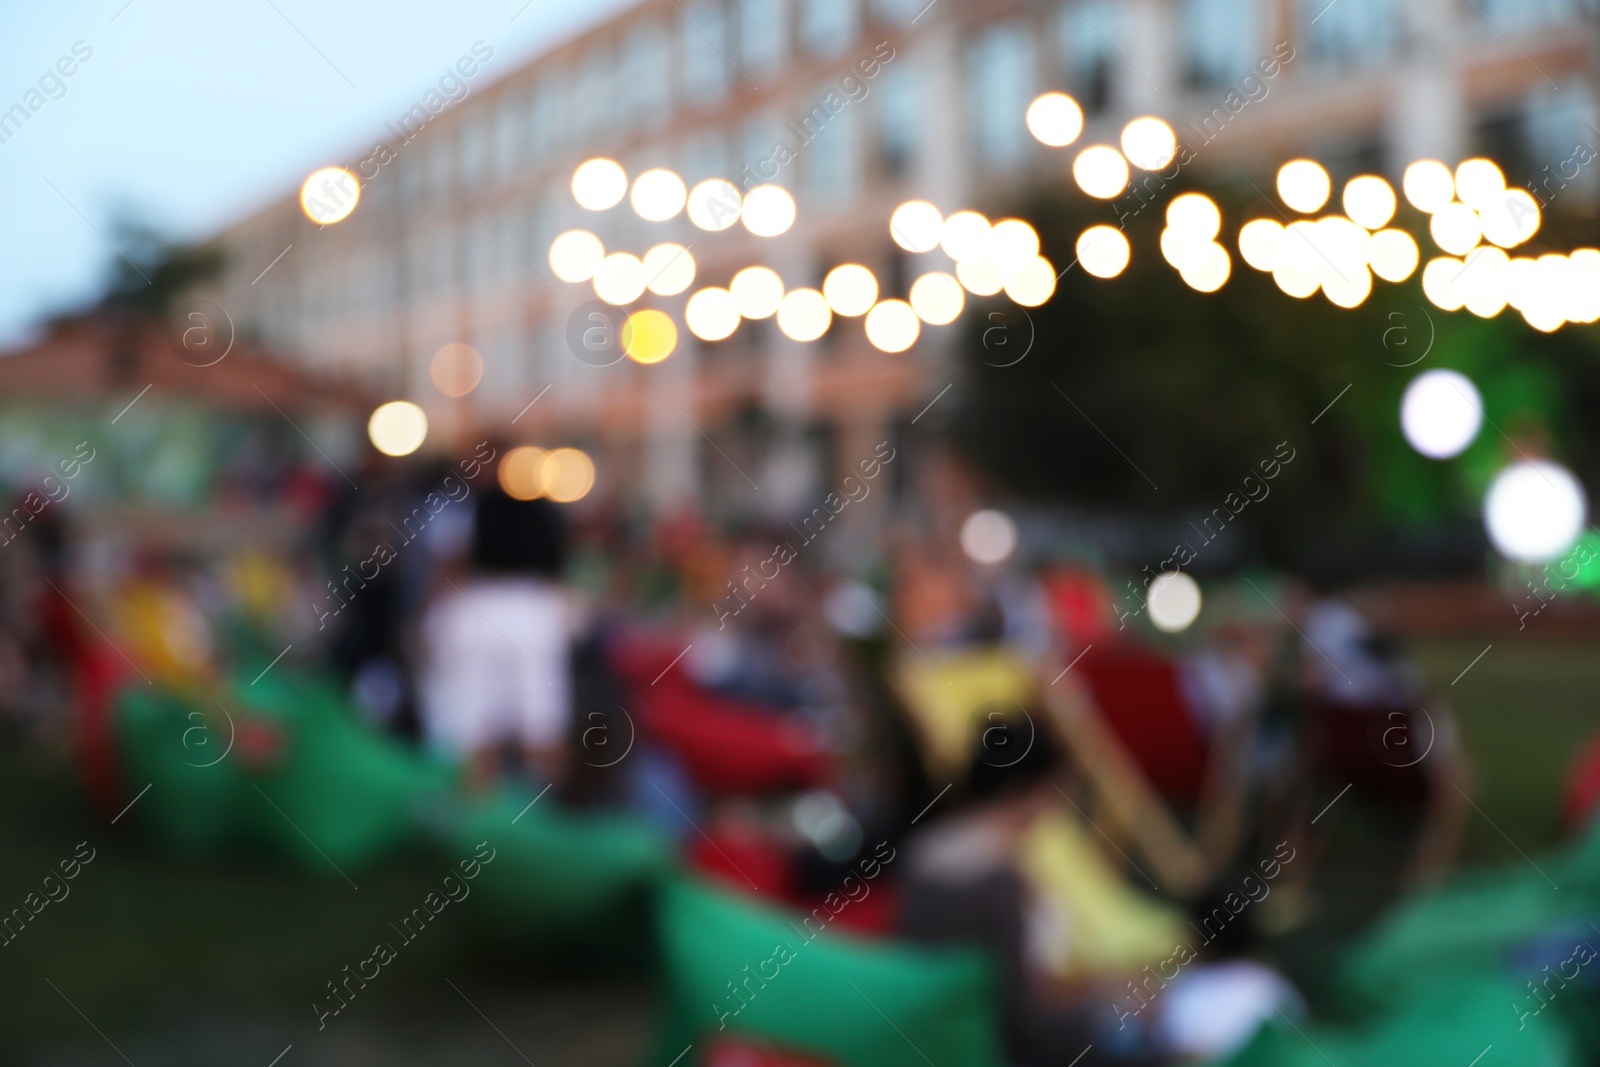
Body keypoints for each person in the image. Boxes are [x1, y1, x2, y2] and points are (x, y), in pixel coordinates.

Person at [419, 486, 572, 789]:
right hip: (508, 790)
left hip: (448, 773)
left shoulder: (449, 609)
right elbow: (542, 735)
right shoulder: (541, 610)